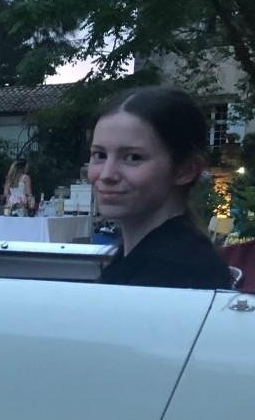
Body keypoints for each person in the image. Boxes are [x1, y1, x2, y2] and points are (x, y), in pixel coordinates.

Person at [88, 87, 232, 289]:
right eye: (99, 155)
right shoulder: (142, 257)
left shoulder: (177, 272)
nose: (106, 175)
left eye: (133, 157)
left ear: (185, 170)